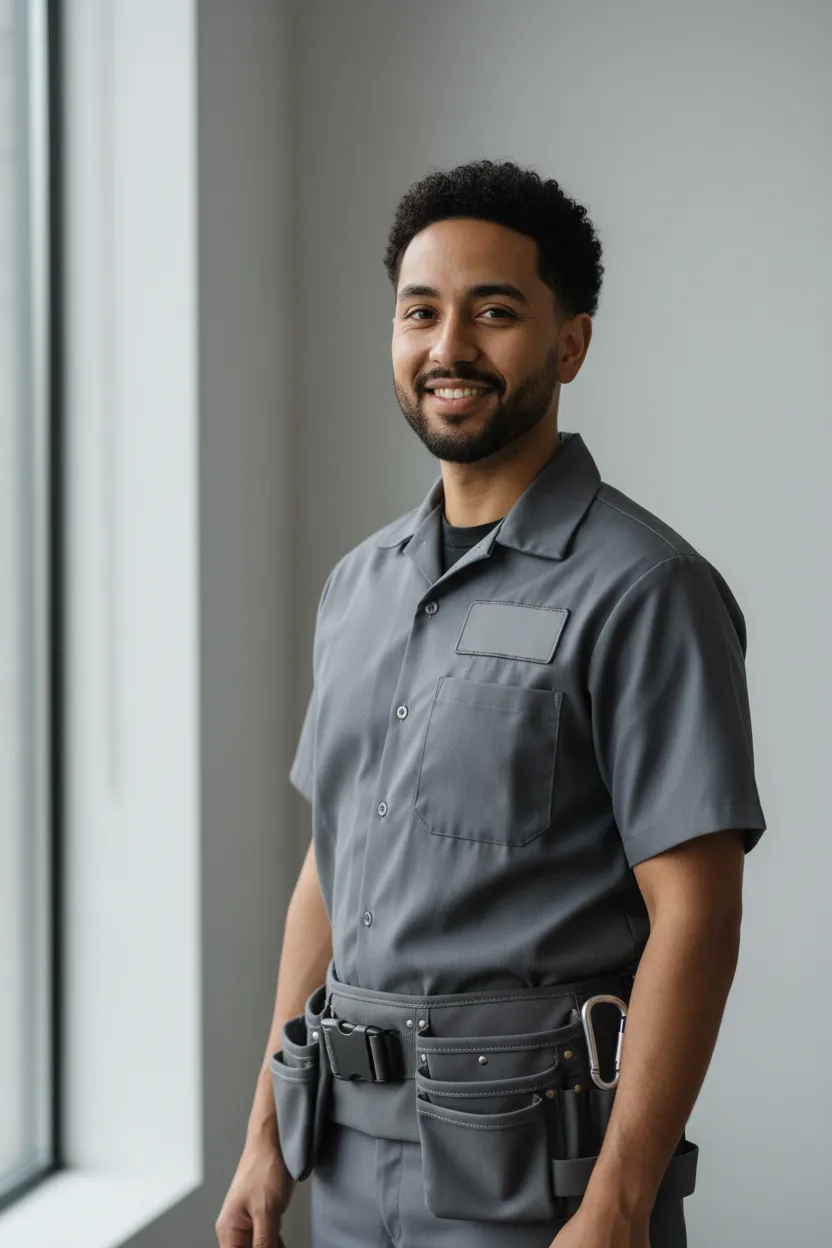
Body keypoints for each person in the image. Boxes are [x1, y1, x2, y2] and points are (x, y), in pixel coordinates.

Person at [215, 159, 767, 1248]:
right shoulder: (358, 588)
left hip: (540, 1184)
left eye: (495, 312)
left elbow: (698, 915)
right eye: (420, 312)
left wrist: (618, 1204)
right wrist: (264, 1136)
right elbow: (330, 870)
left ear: (570, 344)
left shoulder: (646, 589)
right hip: (344, 1165)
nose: (449, 347)